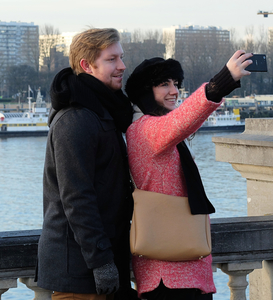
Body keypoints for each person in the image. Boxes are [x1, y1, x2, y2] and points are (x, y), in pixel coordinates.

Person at [125, 50, 253, 300]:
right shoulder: (144, 129)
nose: (174, 91)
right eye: (164, 84)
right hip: (169, 277)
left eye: (176, 84)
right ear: (144, 91)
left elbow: (183, 122)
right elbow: (184, 120)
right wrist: (222, 82)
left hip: (181, 269)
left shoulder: (155, 130)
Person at [36, 28, 137, 300]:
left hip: (93, 266)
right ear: (86, 65)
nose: (122, 66)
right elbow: (77, 198)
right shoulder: (76, 119)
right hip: (80, 273)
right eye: (112, 59)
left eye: (121, 57)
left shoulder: (98, 110)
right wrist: (101, 263)